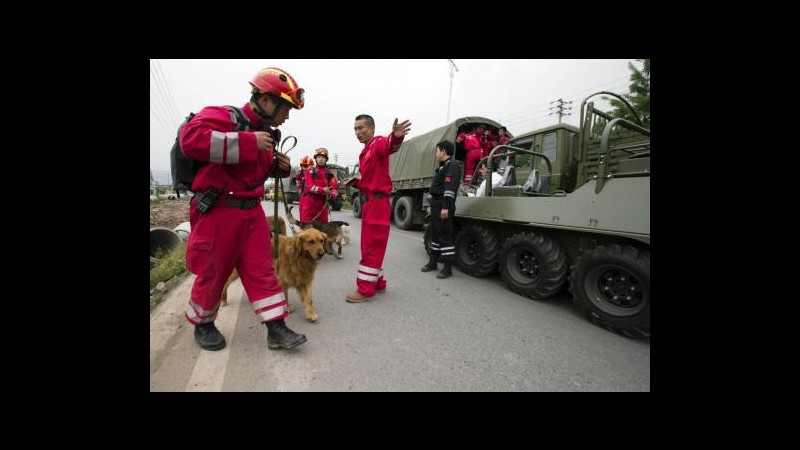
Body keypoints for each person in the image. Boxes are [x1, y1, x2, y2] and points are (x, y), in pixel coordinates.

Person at [179, 67, 308, 351]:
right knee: (214, 271)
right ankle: (203, 323)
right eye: (285, 108)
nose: (287, 116)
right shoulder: (224, 116)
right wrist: (248, 142)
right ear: (265, 101)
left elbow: (254, 171)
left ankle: (276, 327)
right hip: (218, 212)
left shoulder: (266, 134)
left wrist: (279, 167)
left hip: (251, 214)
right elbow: (190, 140)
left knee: (262, 269)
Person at [345, 114, 412, 303]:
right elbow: (372, 177)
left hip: (377, 203)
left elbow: (390, 144)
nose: (358, 132)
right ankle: (377, 282)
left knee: (371, 245)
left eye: (361, 128)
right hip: (370, 203)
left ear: (372, 128)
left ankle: (366, 289)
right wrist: (357, 182)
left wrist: (396, 136)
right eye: (355, 129)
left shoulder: (378, 143)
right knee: (373, 244)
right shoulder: (366, 150)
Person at [421, 140, 459, 279]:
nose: (436, 154)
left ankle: (447, 268)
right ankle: (433, 262)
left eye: (437, 151)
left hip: (444, 205)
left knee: (445, 235)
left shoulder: (452, 165)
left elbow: (450, 190)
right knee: (436, 234)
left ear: (443, 151)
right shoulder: (444, 166)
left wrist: (445, 208)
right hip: (437, 204)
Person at [300, 148, 339, 223]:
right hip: (309, 204)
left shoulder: (329, 174)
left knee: (322, 230)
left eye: (323, 157)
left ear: (326, 160)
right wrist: (322, 190)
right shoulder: (309, 171)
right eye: (319, 157)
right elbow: (309, 186)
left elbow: (335, 188)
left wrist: (331, 195)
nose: (321, 159)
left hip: (323, 205)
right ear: (316, 159)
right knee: (307, 230)